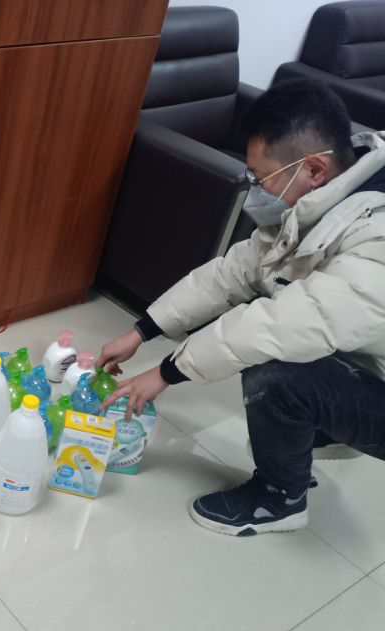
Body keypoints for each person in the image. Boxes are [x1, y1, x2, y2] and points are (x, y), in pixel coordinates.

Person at [98, 78, 385, 537]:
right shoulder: (318, 206)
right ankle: (309, 435)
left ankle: (279, 500)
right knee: (279, 342)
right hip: (367, 358)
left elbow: (278, 326)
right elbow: (229, 274)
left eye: (261, 176)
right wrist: (141, 331)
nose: (256, 188)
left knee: (274, 371)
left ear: (314, 169)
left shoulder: (376, 237)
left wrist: (165, 373)